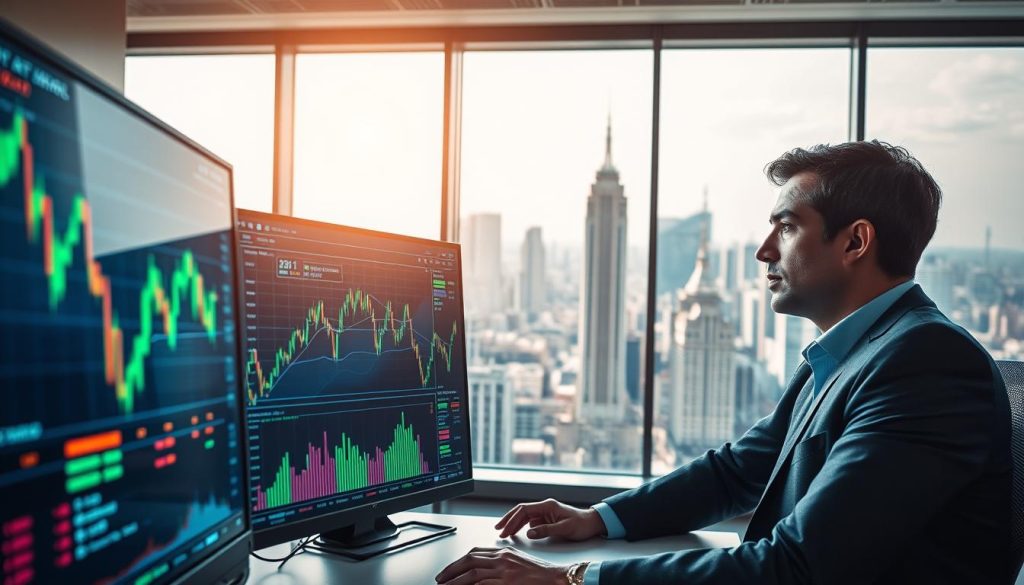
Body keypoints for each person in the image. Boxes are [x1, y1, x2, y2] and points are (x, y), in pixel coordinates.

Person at [435, 141, 1013, 585]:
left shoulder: (924, 364)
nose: (764, 249)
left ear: (856, 242)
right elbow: (740, 470)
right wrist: (599, 518)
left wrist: (573, 577)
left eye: (786, 227)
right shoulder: (852, 351)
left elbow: (799, 567)